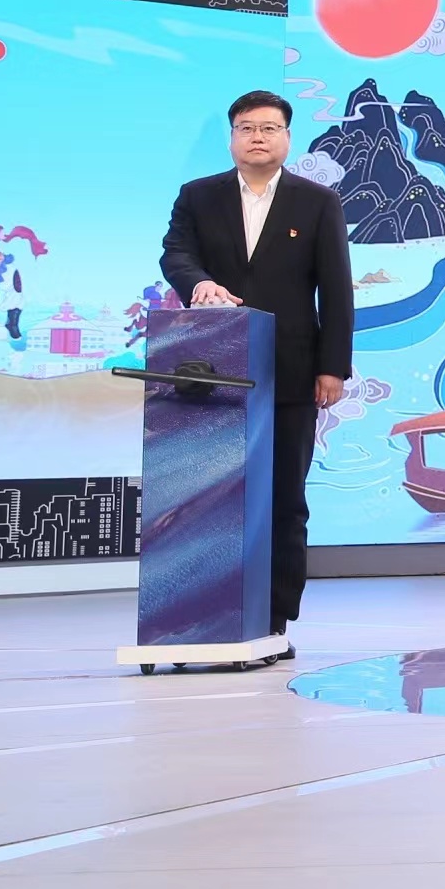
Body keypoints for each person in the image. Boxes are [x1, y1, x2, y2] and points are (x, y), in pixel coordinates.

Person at [160, 91, 353, 652]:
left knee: (284, 497)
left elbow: (336, 289)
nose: (258, 137)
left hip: (290, 373)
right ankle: (204, 608)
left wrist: (333, 367)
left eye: (269, 128)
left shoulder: (317, 202)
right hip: (211, 374)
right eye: (247, 128)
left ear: (288, 138)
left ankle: (274, 616)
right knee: (211, 497)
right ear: (231, 138)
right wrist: (199, 283)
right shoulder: (198, 196)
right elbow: (175, 254)